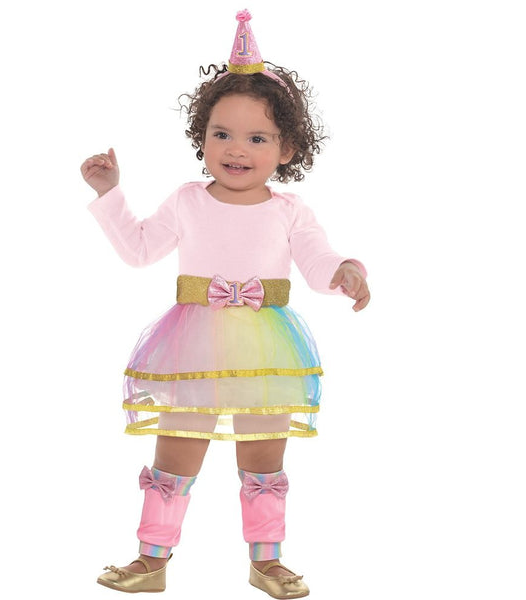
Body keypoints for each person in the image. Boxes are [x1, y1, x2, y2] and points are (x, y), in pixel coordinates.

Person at [81, 10, 369, 599]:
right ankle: (151, 558)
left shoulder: (290, 211)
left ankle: (267, 561)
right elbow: (139, 250)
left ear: (287, 148)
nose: (237, 149)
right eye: (222, 134)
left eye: (257, 138)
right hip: (192, 345)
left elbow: (318, 262)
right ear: (202, 137)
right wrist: (110, 195)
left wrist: (346, 271)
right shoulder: (188, 200)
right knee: (176, 450)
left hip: (268, 351)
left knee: (263, 458)